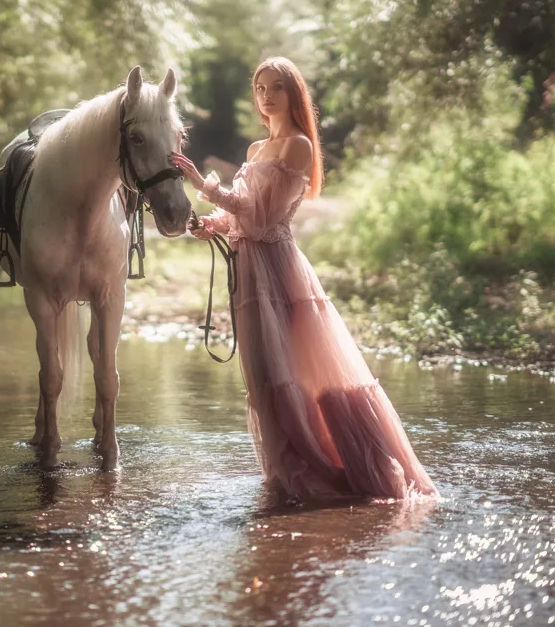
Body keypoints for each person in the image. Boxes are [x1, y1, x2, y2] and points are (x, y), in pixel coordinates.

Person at [170, 56, 436, 502]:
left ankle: (325, 467)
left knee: (299, 372)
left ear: (294, 93)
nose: (267, 96)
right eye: (259, 88)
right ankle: (282, 473)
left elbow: (263, 217)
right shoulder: (255, 150)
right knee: (263, 375)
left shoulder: (298, 146)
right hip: (249, 271)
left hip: (279, 270)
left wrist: (202, 182)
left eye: (276, 87)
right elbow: (241, 214)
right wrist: (208, 225)